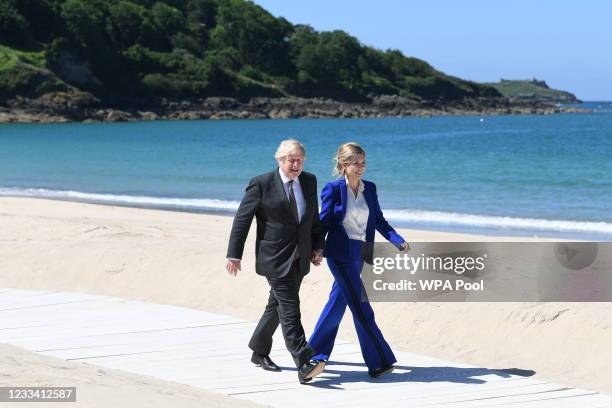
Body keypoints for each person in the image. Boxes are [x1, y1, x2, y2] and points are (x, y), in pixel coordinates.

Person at [225, 139, 326, 384]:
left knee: (277, 306)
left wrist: (317, 246)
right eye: (291, 160)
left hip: (300, 255)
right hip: (274, 257)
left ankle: (259, 351)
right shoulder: (261, 184)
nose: (296, 164)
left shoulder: (309, 181)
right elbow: (243, 219)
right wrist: (234, 254)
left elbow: (313, 217)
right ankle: (303, 362)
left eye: (300, 160)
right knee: (290, 308)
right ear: (279, 160)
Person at [308, 142, 410, 378]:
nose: (361, 166)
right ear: (344, 165)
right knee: (361, 306)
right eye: (356, 162)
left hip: (361, 254)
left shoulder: (370, 189)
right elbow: (324, 222)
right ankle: (379, 361)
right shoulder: (333, 189)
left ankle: (312, 354)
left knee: (337, 305)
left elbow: (379, 221)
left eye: (363, 162)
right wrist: (316, 248)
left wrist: (397, 239)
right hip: (340, 254)